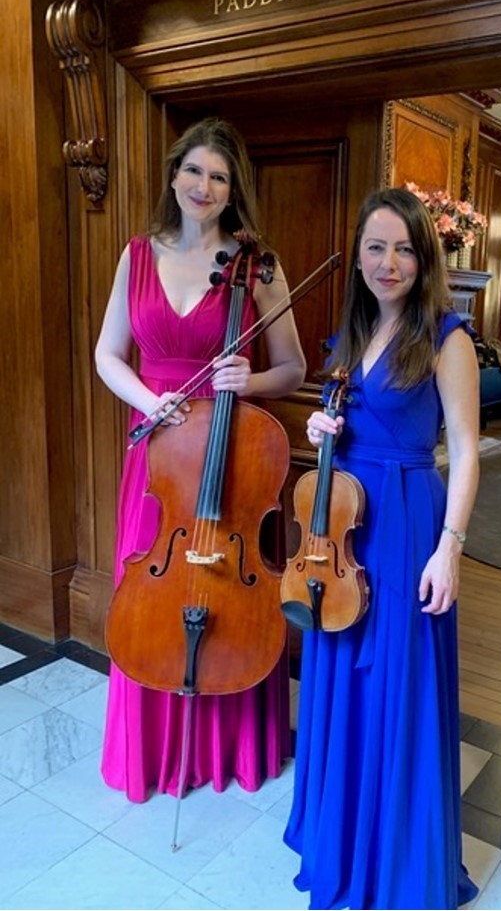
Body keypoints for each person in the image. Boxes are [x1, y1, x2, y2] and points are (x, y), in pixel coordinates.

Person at [95, 117, 306, 802]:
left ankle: (230, 751)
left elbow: (293, 367)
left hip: (232, 458)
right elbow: (108, 353)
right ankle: (152, 752)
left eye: (219, 176)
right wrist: (148, 399)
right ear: (173, 174)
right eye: (194, 171)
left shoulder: (258, 264)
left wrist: (249, 379)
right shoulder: (136, 254)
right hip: (158, 460)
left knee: (228, 598)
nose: (204, 185)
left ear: (232, 187)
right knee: (147, 592)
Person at [284, 187, 481, 909]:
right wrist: (321, 431)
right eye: (375, 246)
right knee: (342, 677)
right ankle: (344, 843)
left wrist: (450, 548)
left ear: (423, 255)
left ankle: (394, 864)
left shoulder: (447, 336)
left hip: (406, 527)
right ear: (359, 256)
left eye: (402, 247)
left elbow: (464, 452)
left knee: (398, 684)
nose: (387, 261)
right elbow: (343, 420)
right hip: (341, 533)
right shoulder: (350, 333)